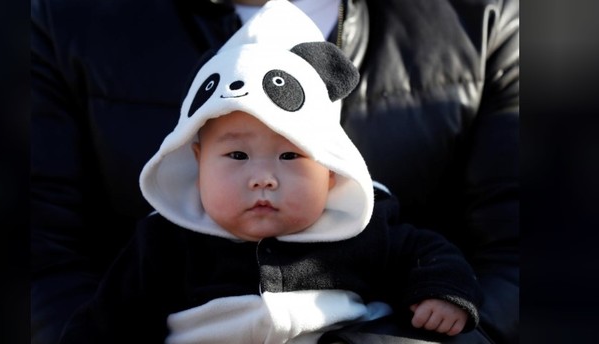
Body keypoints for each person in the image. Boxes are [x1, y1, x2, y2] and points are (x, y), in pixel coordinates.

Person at [31, 0, 519, 343]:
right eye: (237, 157)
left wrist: (445, 296)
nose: (263, 177)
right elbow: (109, 316)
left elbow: (436, 255)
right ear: (195, 159)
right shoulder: (165, 241)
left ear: (330, 169)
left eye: (290, 156)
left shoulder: (364, 226)